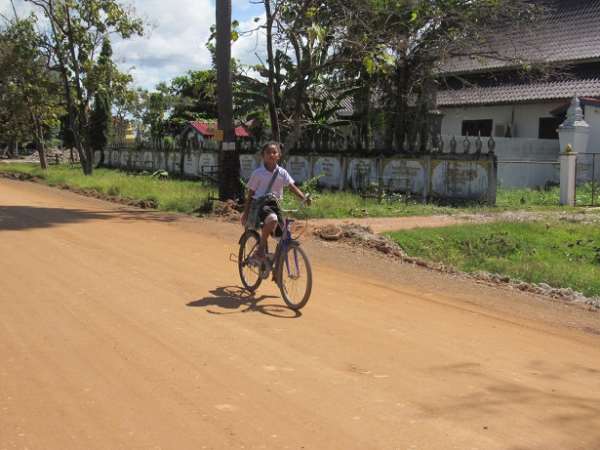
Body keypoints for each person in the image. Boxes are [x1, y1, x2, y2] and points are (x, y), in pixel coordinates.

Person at [241, 142, 310, 267]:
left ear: (279, 155)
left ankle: (276, 267)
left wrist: (303, 198)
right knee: (272, 219)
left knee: (284, 237)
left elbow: (292, 187)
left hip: (276, 206)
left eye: (274, 152)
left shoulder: (282, 172)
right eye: (268, 152)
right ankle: (260, 251)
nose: (271, 155)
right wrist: (245, 213)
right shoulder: (258, 173)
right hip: (261, 205)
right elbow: (250, 194)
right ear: (263, 155)